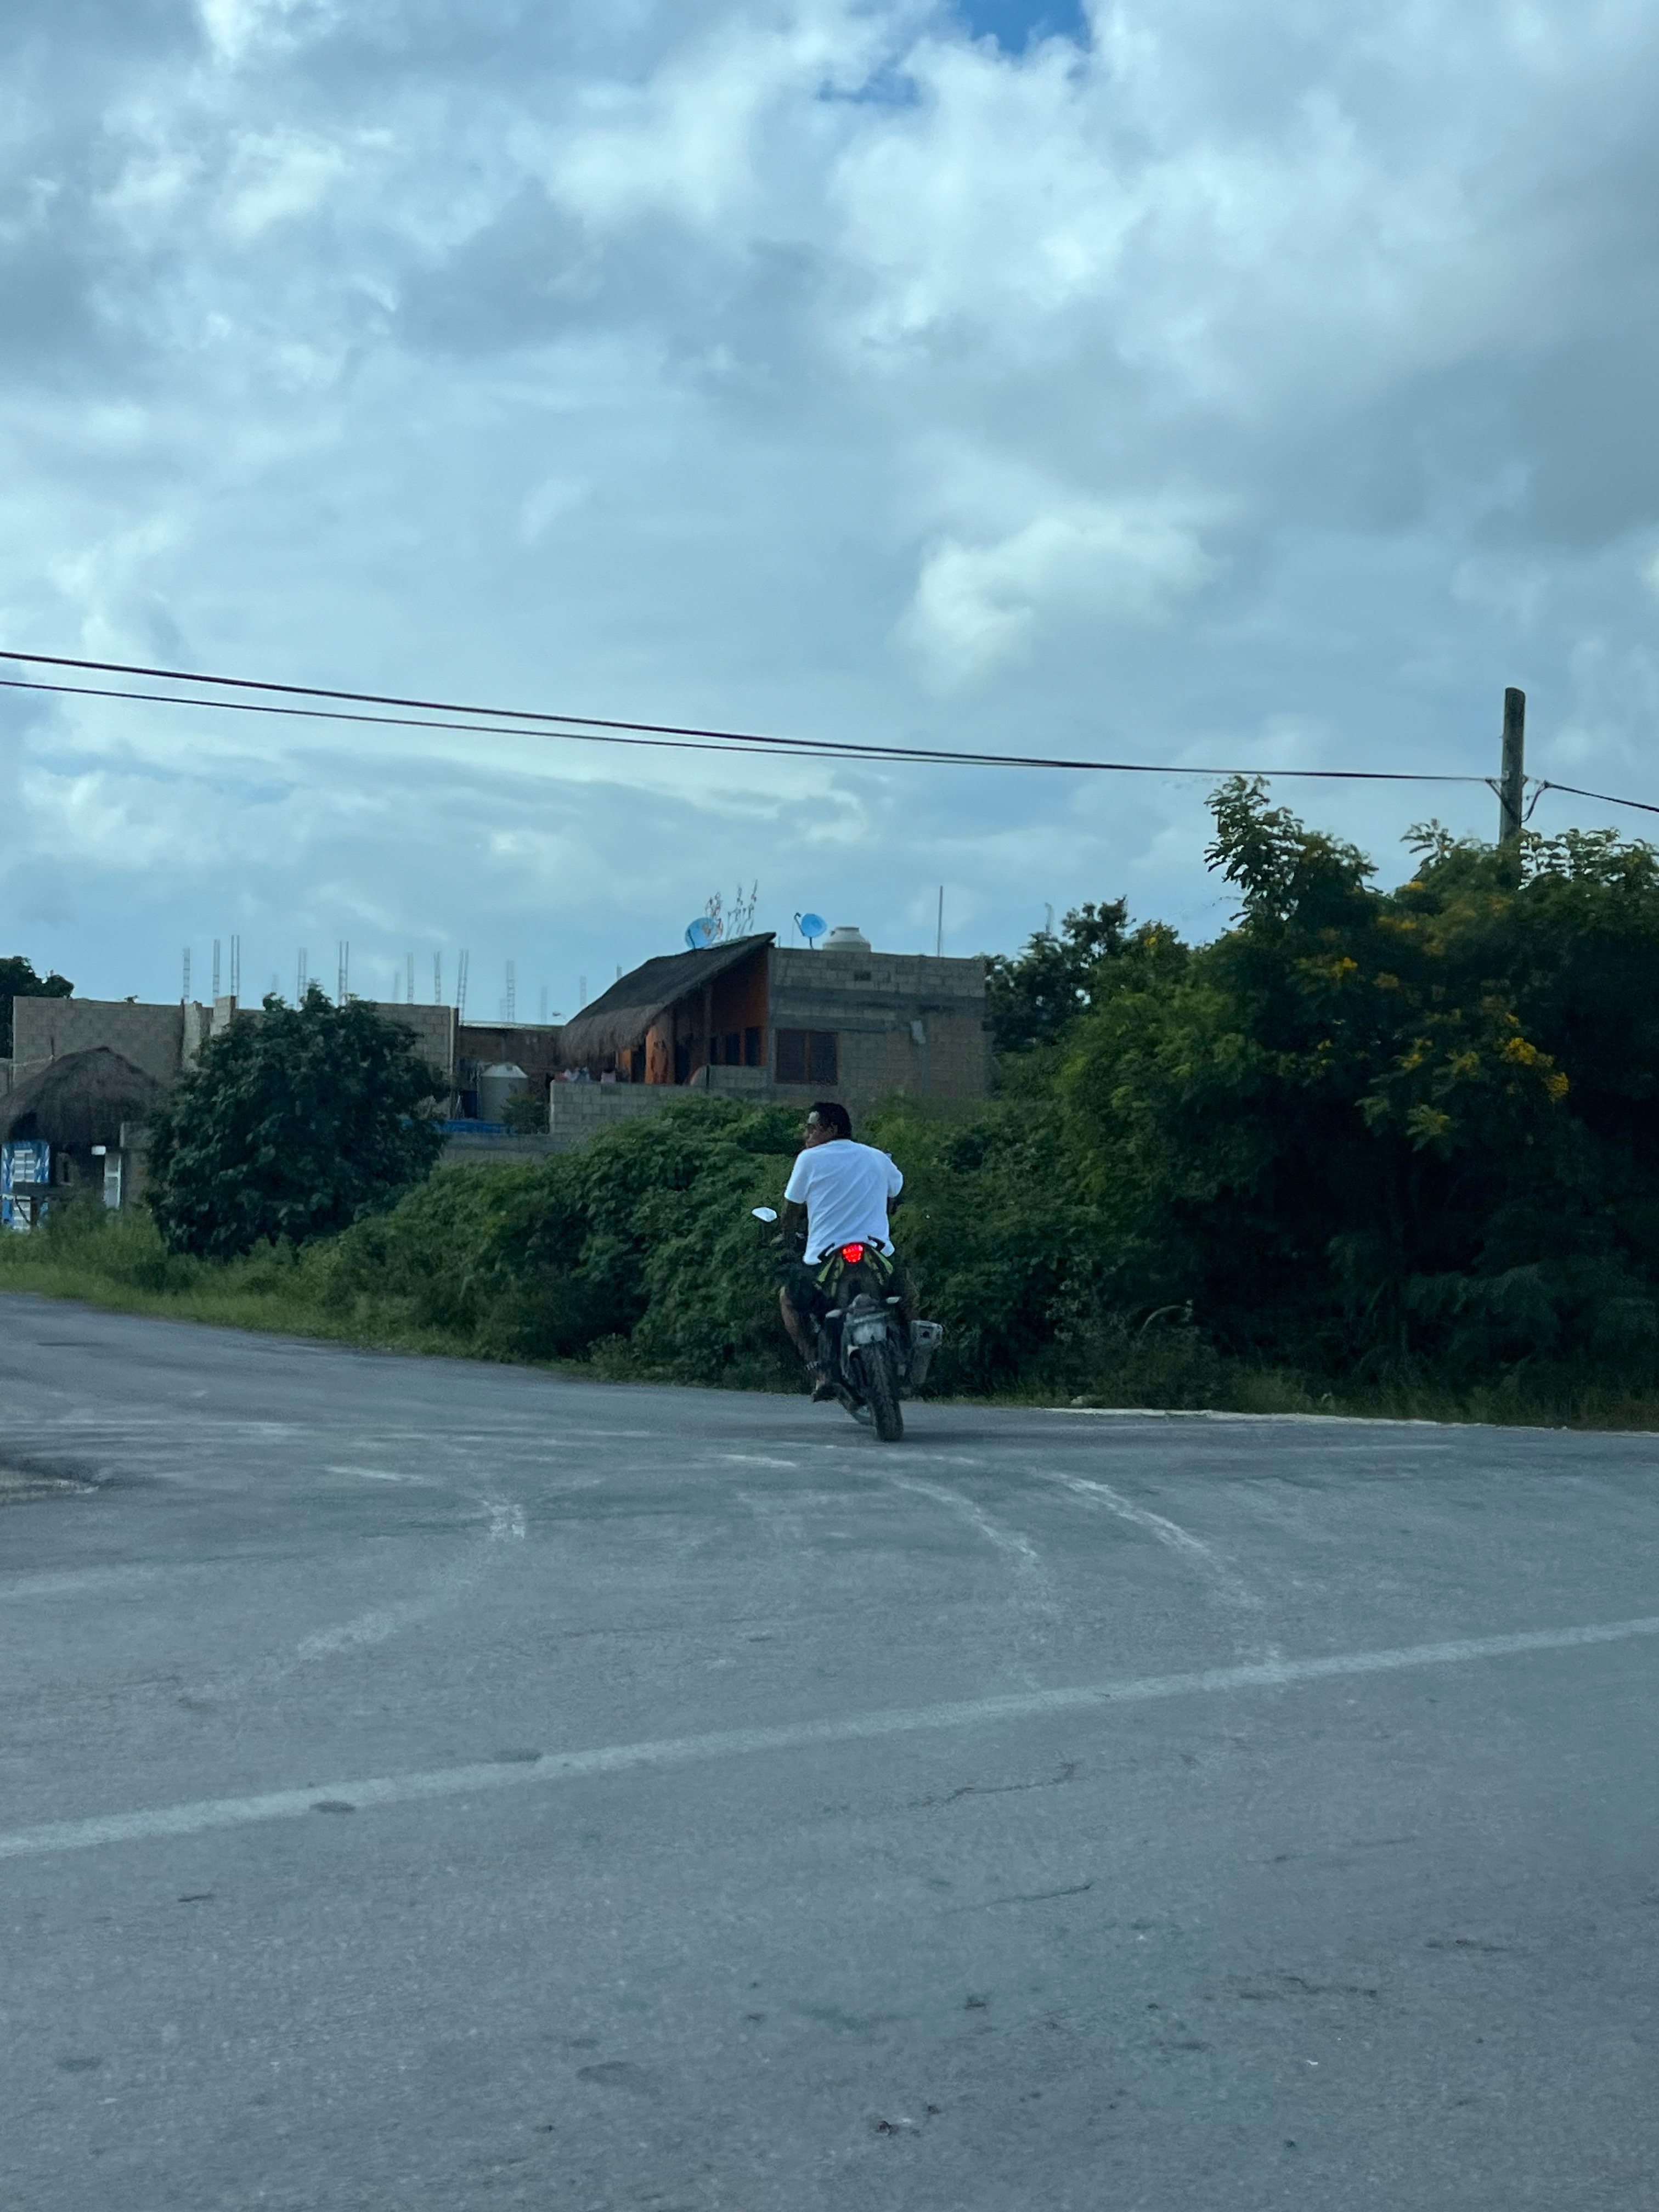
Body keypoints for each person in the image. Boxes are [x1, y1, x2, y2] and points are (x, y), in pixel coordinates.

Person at [777, 1101, 907, 1399]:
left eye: (812, 1128)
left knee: (787, 1299)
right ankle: (912, 1350)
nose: (806, 1136)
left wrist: (785, 1237)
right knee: (907, 1292)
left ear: (831, 1129)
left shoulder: (808, 1160)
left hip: (825, 1258)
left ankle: (819, 1372)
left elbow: (791, 1209)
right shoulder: (877, 1158)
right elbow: (896, 1193)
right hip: (877, 1254)